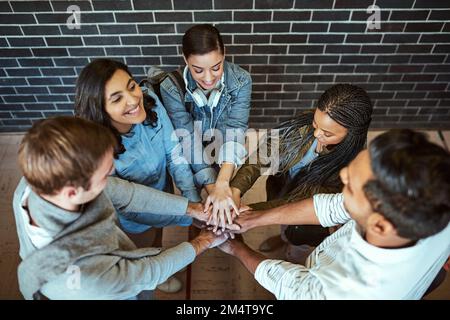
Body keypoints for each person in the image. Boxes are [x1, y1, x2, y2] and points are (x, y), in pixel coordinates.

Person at [13, 116, 227, 300]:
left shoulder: (41, 182)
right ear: (73, 193)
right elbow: (147, 273)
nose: (114, 173)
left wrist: (191, 209)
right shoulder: (87, 276)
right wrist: (203, 242)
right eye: (106, 175)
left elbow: (127, 194)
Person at [220, 129, 450, 299]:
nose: (341, 179)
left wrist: (236, 248)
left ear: (379, 226)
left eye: (349, 186)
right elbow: (333, 207)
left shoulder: (343, 292)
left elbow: (289, 285)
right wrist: (256, 218)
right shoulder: (424, 204)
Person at [75, 59, 204, 292]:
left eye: (131, 86)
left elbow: (174, 153)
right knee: (140, 248)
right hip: (133, 219)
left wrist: (192, 200)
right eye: (117, 98)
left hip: (164, 194)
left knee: (157, 238)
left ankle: (163, 259)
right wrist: (187, 214)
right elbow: (133, 204)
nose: (133, 99)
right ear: (99, 109)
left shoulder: (149, 101)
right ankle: (158, 276)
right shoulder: (97, 152)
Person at [229, 84, 373, 258]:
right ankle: (282, 238)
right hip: (283, 187)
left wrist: (251, 210)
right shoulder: (306, 124)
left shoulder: (351, 168)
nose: (316, 134)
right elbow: (268, 150)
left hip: (306, 222)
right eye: (315, 124)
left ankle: (291, 252)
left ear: (351, 135)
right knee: (283, 227)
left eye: (327, 134)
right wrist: (236, 189)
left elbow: (298, 202)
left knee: (298, 241)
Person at [160, 24, 252, 230]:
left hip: (225, 147)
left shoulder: (242, 80)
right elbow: (187, 138)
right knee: (201, 208)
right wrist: (214, 192)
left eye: (216, 67)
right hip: (188, 150)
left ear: (224, 54)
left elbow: (236, 129)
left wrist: (222, 184)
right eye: (198, 70)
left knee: (227, 203)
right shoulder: (170, 88)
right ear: (185, 60)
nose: (209, 78)